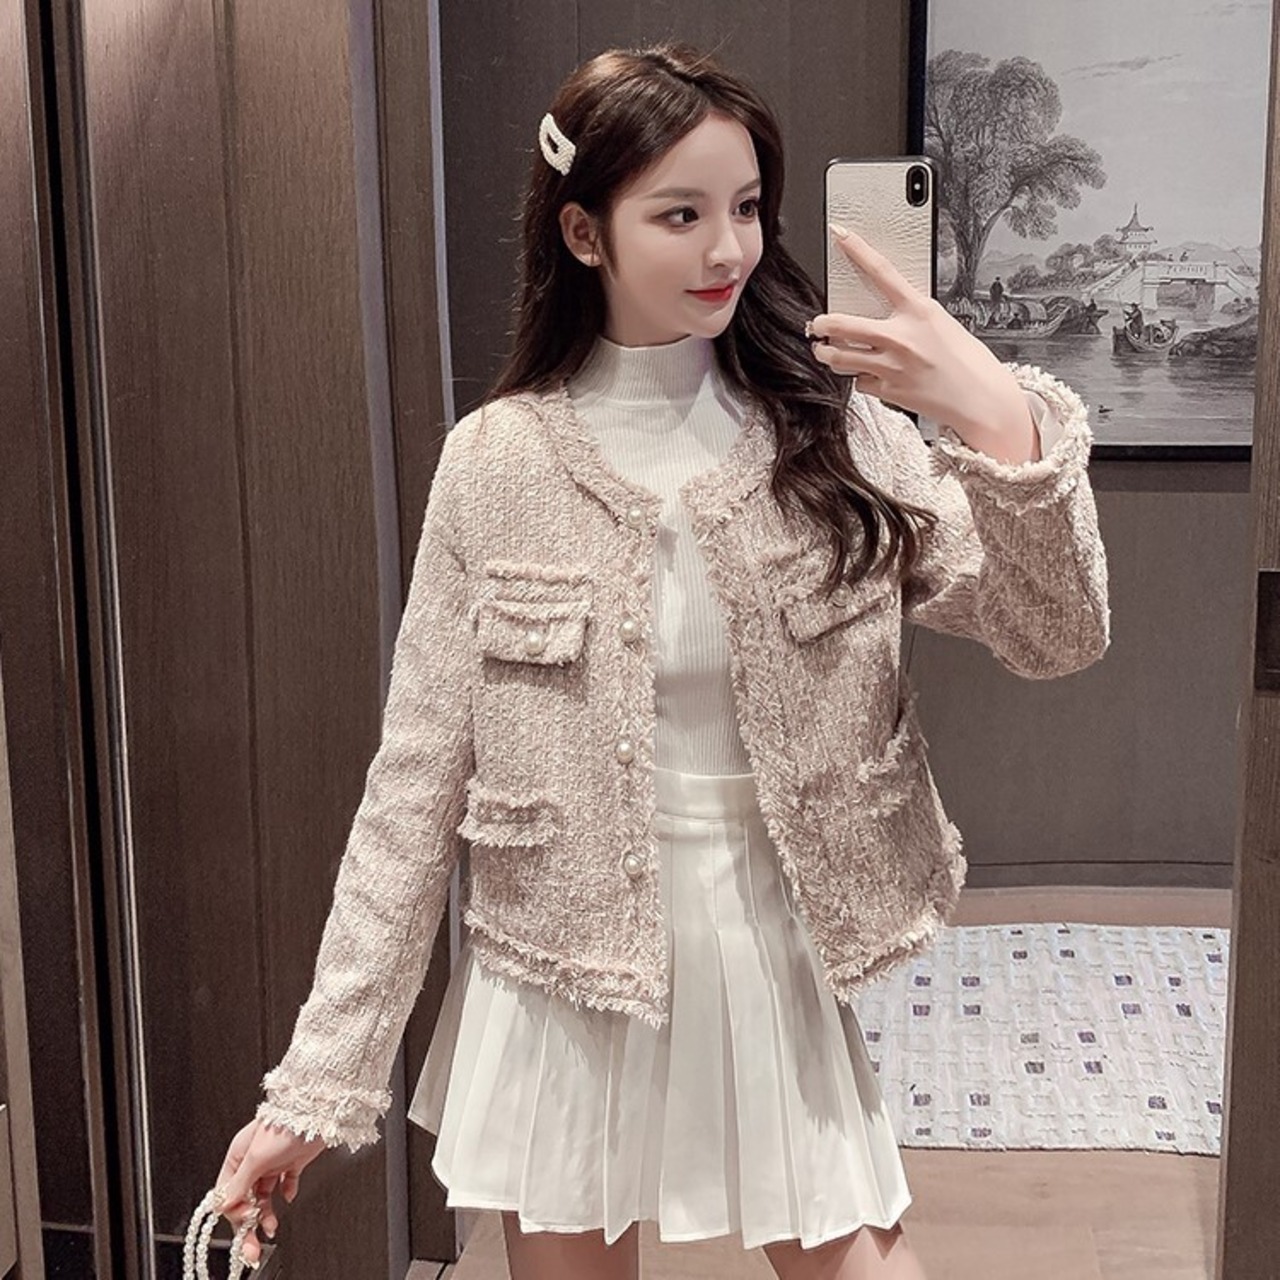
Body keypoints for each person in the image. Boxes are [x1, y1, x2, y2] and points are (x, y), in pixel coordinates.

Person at [206, 41, 1108, 1280]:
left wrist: (997, 419)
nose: (726, 249)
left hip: (769, 942)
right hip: (559, 976)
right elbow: (410, 793)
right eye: (679, 214)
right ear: (584, 232)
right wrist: (317, 1085)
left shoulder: (833, 430)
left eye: (745, 207)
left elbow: (1053, 633)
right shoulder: (496, 462)